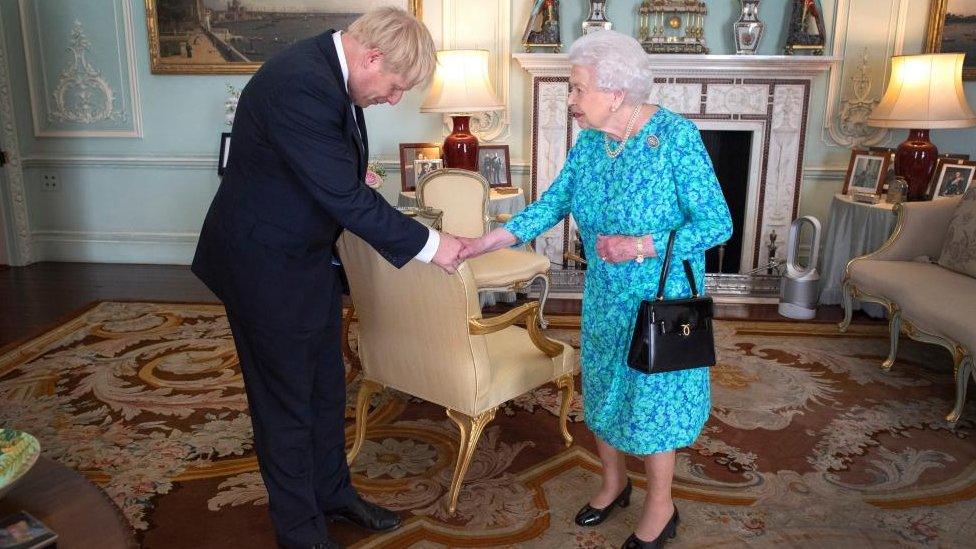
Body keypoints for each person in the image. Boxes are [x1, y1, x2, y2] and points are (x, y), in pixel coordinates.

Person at [191, 8, 462, 549]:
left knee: (324, 388)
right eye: (394, 86)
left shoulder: (329, 73)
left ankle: (334, 496)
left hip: (305, 257)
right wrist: (434, 245)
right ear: (371, 57)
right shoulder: (299, 82)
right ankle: (300, 532)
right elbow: (342, 196)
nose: (393, 99)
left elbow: (329, 174)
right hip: (262, 265)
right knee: (285, 403)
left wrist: (342, 171)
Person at [458, 30, 732, 549]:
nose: (570, 99)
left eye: (578, 88)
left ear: (615, 92)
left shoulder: (674, 137)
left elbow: (717, 223)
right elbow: (552, 203)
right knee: (604, 388)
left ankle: (660, 504)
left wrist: (639, 246)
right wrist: (487, 240)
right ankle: (613, 484)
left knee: (652, 401)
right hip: (605, 295)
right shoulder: (591, 142)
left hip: (660, 298)